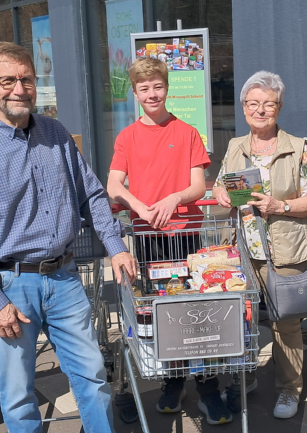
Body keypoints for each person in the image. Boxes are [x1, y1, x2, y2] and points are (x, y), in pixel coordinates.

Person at [0, 42, 137, 433]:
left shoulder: (55, 133)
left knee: (93, 377)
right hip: (9, 286)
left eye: (26, 79)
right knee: (17, 392)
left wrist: (115, 247)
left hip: (64, 278)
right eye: (7, 80)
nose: (19, 88)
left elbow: (92, 195)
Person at [106, 57, 234, 424]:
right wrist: (139, 206)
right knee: (160, 314)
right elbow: (114, 183)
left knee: (200, 315)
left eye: (157, 87)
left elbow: (198, 185)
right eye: (144, 88)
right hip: (148, 239)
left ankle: (208, 388)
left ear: (167, 87)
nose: (152, 94)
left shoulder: (187, 132)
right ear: (135, 92)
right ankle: (172, 384)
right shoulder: (127, 136)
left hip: (187, 238)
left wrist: (173, 199)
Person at [212, 70, 307, 420]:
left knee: (286, 322)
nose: (260, 110)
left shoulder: (298, 148)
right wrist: (223, 195)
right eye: (253, 103)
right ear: (244, 107)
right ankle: (245, 378)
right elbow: (218, 189)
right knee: (241, 320)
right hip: (242, 251)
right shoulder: (235, 147)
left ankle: (289, 390)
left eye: (269, 104)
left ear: (279, 107)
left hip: (284, 250)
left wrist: (280, 206)